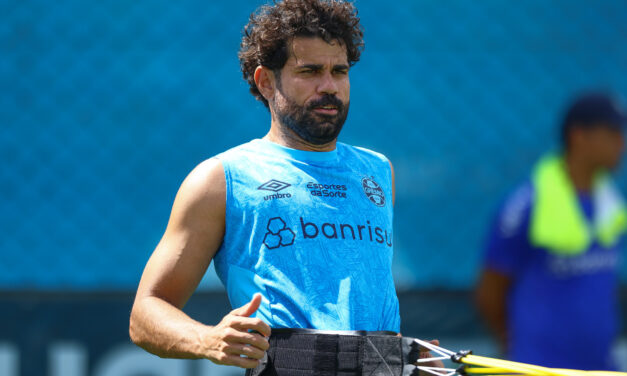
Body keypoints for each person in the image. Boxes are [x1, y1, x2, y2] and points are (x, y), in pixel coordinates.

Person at [129, 0, 438, 374]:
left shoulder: (377, 170)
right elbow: (146, 312)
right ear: (265, 81)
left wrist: (401, 359)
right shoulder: (220, 179)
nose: (329, 86)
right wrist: (207, 340)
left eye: (339, 71)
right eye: (310, 71)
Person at [475, 92, 627, 370]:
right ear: (579, 135)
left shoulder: (612, 205)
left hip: (601, 366)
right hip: (541, 367)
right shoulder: (525, 205)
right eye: (613, 132)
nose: (621, 143)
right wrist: (518, 349)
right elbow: (490, 291)